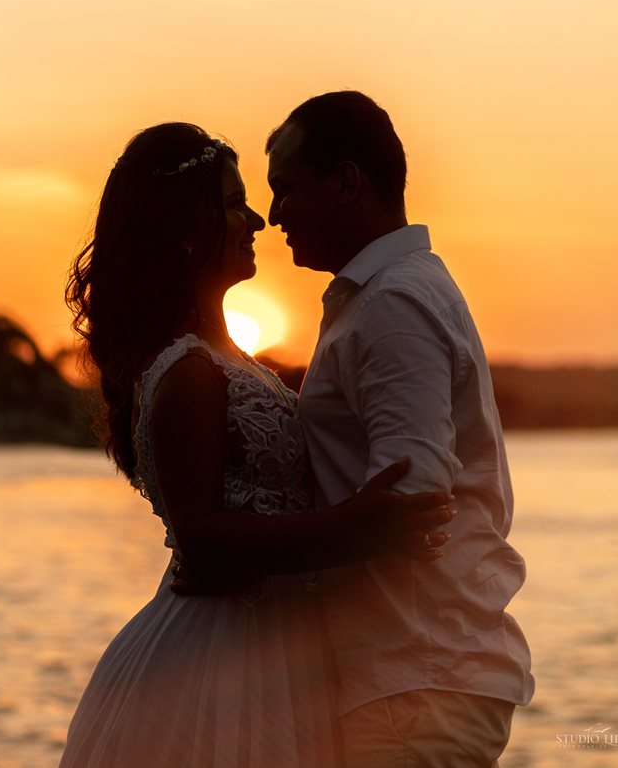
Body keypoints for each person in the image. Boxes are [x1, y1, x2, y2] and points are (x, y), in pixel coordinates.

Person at [59, 122, 456, 768]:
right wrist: (355, 529)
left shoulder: (227, 359)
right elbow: (200, 536)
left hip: (273, 652)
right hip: (217, 658)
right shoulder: (188, 370)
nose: (256, 220)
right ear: (187, 229)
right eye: (233, 203)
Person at [265, 91, 534, 767]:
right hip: (411, 677)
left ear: (346, 183)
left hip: (416, 681)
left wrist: (238, 549)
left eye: (286, 188)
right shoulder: (385, 295)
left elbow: (409, 502)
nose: (274, 214)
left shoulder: (391, 303)